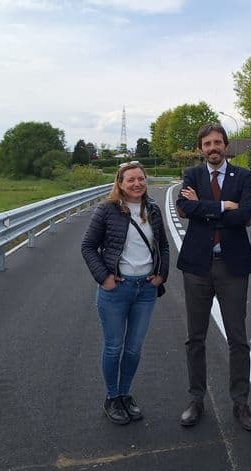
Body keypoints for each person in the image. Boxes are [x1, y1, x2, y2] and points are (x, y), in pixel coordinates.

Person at [176, 123, 251, 431]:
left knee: (237, 337)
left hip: (232, 266)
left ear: (226, 145)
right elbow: (184, 206)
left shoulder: (244, 176)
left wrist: (203, 208)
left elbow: (246, 215)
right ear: (201, 148)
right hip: (198, 266)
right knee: (195, 337)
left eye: (218, 142)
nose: (213, 147)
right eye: (207, 143)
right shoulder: (192, 175)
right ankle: (196, 398)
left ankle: (240, 402)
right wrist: (224, 206)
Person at [81, 161, 169, 425]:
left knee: (133, 349)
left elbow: (163, 246)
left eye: (140, 179)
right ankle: (112, 397)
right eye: (130, 180)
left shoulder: (152, 209)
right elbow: (88, 246)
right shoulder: (106, 210)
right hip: (116, 290)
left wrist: (161, 275)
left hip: (145, 290)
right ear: (119, 183)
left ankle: (125, 394)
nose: (137, 184)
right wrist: (104, 277)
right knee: (113, 347)